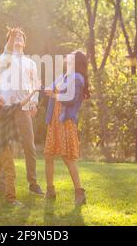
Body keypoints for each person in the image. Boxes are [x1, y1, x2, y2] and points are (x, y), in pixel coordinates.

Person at [0, 27, 43, 195]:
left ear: (24, 42)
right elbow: (8, 49)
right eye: (14, 37)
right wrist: (11, 35)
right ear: (10, 40)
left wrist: (34, 103)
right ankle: (3, 186)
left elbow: (34, 84)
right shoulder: (5, 58)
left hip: (24, 108)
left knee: (29, 146)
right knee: (6, 146)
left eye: (20, 37)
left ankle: (33, 183)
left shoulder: (31, 63)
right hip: (7, 108)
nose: (18, 39)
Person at [43, 51, 90, 206]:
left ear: (76, 61)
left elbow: (71, 98)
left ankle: (79, 192)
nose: (67, 56)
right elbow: (50, 88)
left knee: (67, 157)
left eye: (70, 55)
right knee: (48, 155)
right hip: (54, 120)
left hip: (65, 120)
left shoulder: (78, 78)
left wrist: (54, 94)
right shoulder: (64, 76)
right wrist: (43, 88)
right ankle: (50, 191)